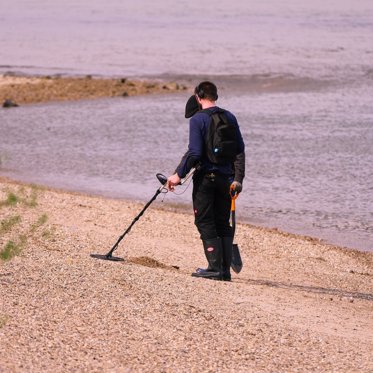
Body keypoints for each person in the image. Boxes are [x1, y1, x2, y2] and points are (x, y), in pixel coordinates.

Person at [167, 81, 245, 281]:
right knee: (222, 223)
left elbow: (195, 152)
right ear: (215, 96)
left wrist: (178, 176)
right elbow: (239, 150)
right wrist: (238, 179)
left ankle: (213, 268)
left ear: (198, 97)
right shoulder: (230, 116)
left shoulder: (197, 119)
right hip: (226, 181)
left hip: (206, 180)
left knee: (204, 220)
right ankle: (224, 271)